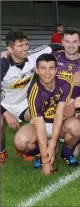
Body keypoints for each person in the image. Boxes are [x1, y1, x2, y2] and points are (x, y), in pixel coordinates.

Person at [1, 30, 63, 164]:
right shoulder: (3, 64)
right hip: (3, 103)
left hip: (23, 103)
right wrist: (6, 113)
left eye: (26, 44)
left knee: (42, 117)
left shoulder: (33, 57)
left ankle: (32, 147)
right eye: (20, 46)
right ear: (10, 49)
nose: (25, 48)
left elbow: (55, 46)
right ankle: (2, 152)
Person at [13, 54, 79, 175]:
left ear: (56, 70)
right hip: (42, 123)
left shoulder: (65, 84)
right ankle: (40, 154)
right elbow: (39, 126)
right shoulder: (34, 91)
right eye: (43, 68)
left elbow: (59, 115)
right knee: (20, 141)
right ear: (37, 70)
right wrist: (45, 160)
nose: (47, 72)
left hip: (60, 124)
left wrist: (52, 144)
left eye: (51, 68)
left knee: (75, 126)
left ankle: (67, 154)